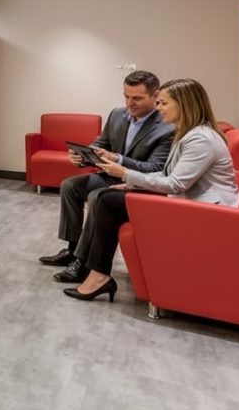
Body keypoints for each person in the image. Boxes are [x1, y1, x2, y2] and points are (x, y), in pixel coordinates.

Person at [64, 78, 239, 302]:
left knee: (107, 200)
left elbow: (175, 184)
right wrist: (130, 182)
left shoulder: (200, 139)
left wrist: (126, 174)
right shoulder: (189, 133)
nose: (159, 109)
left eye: (164, 103)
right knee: (106, 196)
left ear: (185, 104)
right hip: (189, 201)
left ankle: (97, 274)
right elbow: (169, 176)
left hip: (206, 213)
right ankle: (94, 270)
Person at [38, 71, 174, 283]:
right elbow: (100, 144)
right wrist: (83, 156)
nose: (130, 103)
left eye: (137, 98)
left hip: (137, 183)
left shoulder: (167, 127)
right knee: (70, 186)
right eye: (126, 96)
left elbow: (154, 167)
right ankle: (72, 249)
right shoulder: (117, 114)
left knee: (96, 197)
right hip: (111, 177)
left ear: (155, 95)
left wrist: (118, 159)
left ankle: (82, 262)